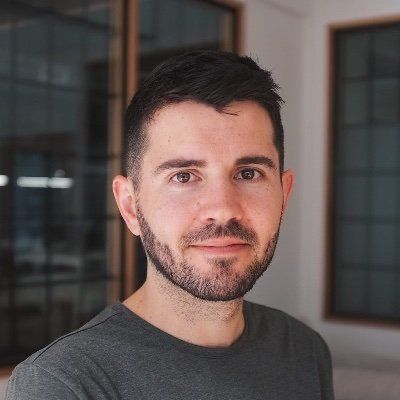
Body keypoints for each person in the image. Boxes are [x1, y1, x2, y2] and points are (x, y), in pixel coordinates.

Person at [6, 51, 334, 399]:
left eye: (249, 173)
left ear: (283, 195)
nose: (223, 209)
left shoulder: (304, 349)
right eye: (184, 176)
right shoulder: (62, 384)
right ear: (130, 206)